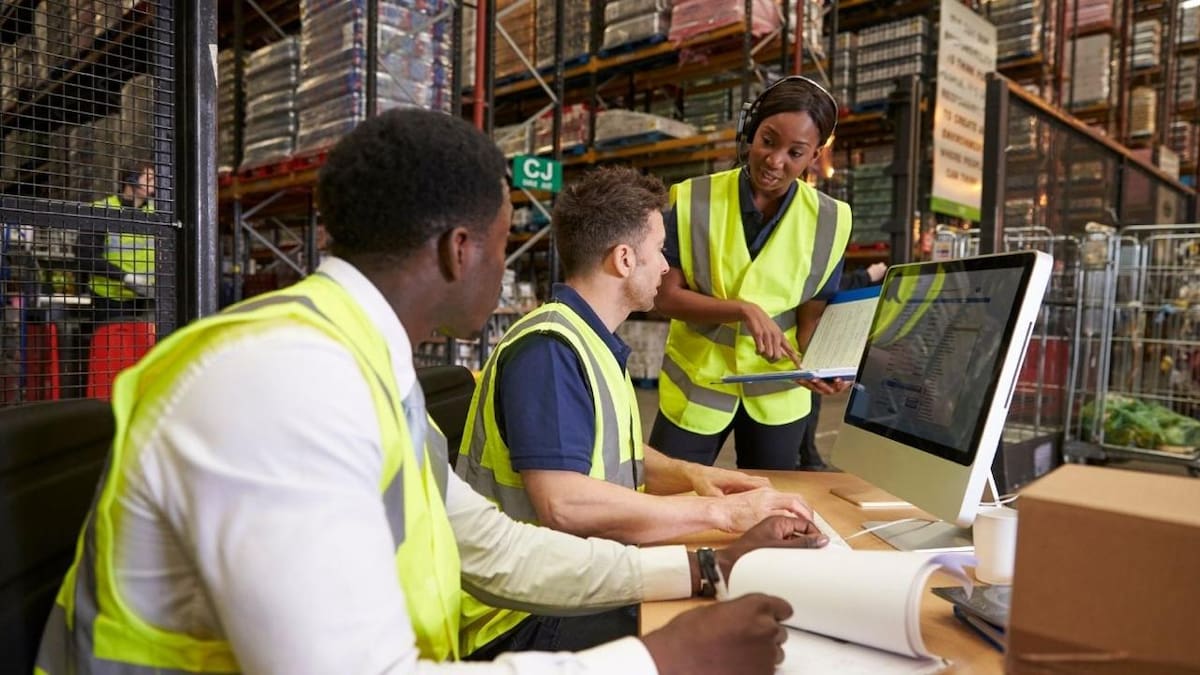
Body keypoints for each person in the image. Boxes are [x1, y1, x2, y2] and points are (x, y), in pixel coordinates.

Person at [36, 109, 828, 674]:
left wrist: (705, 567)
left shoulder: (367, 366)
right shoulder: (281, 383)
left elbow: (495, 549)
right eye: (504, 240)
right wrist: (655, 659)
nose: (508, 265)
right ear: (459, 250)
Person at [456, 166, 815, 657]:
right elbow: (565, 503)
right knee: (747, 625)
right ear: (624, 259)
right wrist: (720, 513)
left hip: (572, 582)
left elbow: (611, 453)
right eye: (660, 250)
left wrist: (694, 476)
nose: (666, 266)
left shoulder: (586, 339)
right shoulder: (549, 351)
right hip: (522, 617)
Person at [651, 76, 854, 470]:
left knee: (771, 500)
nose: (775, 161)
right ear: (750, 131)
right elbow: (665, 297)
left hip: (778, 392)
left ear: (814, 156)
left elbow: (811, 317)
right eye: (768, 141)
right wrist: (742, 310)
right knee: (667, 490)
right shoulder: (692, 198)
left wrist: (822, 365)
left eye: (795, 152)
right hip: (698, 385)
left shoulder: (832, 221)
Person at [795, 260, 888, 471]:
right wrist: (865, 276)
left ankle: (809, 456)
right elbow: (828, 285)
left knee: (810, 401)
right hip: (800, 347)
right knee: (809, 401)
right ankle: (809, 458)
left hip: (808, 345)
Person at [79, 164, 157, 317]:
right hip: (109, 299)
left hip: (147, 298)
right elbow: (86, 255)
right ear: (131, 181)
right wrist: (125, 277)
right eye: (149, 179)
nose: (155, 183)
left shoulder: (156, 213)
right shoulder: (102, 210)